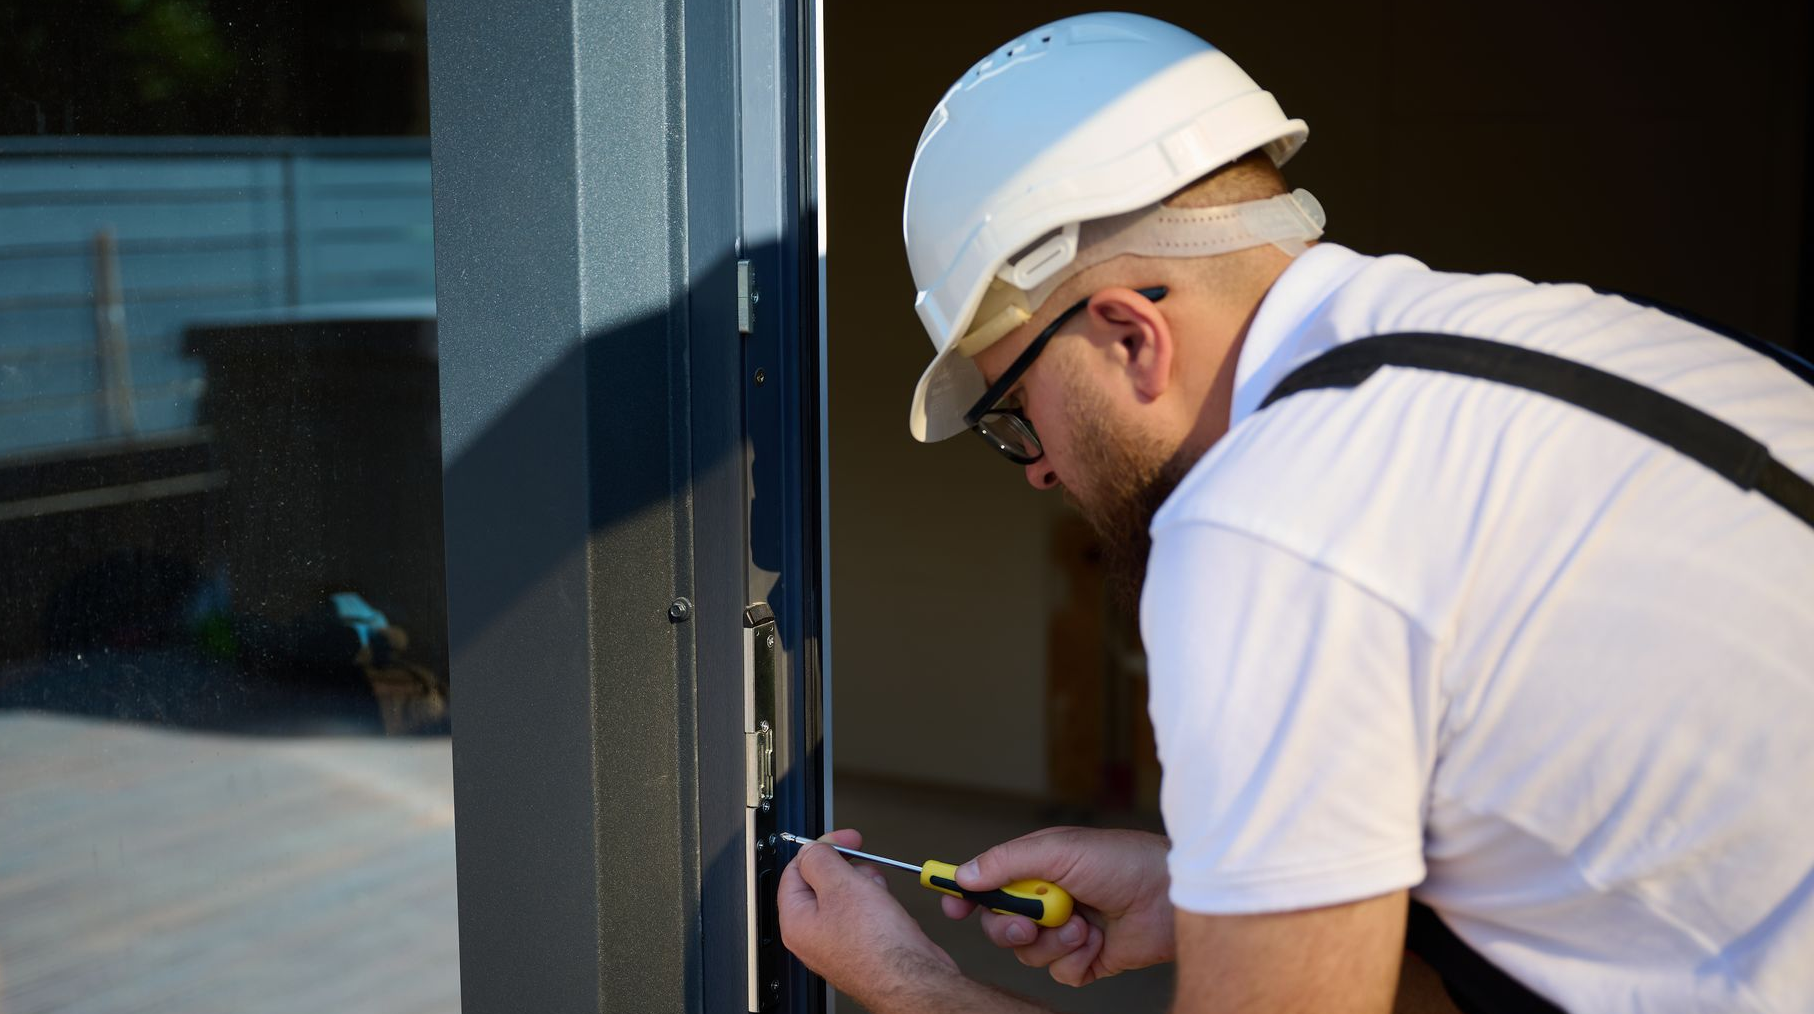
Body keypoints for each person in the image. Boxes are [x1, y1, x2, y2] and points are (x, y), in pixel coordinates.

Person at [777, 12, 1814, 1014]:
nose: (1036, 469)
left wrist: (910, 987)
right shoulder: (1566, 343)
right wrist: (1209, 900)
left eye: (1015, 411)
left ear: (1131, 335)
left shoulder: (1265, 521)